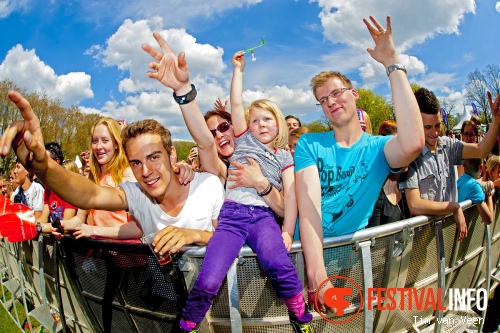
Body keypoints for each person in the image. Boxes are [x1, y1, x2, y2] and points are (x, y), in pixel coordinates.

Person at [294, 16, 425, 312]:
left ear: (354, 95)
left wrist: (392, 63)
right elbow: (310, 206)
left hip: (347, 263)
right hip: (304, 259)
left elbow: (414, 142)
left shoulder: (379, 149)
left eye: (336, 92)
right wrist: (317, 277)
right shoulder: (310, 144)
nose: (330, 101)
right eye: (323, 99)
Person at [2, 91, 224, 259]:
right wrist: (43, 167)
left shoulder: (208, 185)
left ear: (172, 154)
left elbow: (235, 240)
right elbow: (90, 195)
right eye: (136, 163)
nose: (145, 172)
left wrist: (195, 235)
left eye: (154, 157)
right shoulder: (137, 195)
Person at [182, 49, 309, 332]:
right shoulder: (244, 141)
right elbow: (236, 103)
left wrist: (288, 230)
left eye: (267, 119)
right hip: (232, 216)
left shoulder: (285, 157)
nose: (261, 125)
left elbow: (291, 197)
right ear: (246, 126)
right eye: (255, 120)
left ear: (278, 122)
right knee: (209, 277)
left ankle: (301, 317)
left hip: (264, 217)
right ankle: (188, 323)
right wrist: (238, 71)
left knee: (279, 265)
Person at [142, 33, 286, 219]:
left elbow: (287, 211)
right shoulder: (220, 170)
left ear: (237, 126)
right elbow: (205, 144)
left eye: (224, 127)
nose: (218, 135)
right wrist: (183, 91)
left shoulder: (276, 157)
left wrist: (261, 183)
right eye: (212, 133)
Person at [401, 87, 500, 243]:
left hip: (448, 238)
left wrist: (496, 121)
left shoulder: (448, 145)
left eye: (438, 125)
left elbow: (480, 151)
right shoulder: (411, 155)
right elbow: (415, 204)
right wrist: (453, 207)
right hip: (422, 244)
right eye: (428, 127)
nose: (434, 132)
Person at [61, 118, 144, 240]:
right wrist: (62, 225)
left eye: (105, 141)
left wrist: (94, 230)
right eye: (95, 141)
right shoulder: (92, 178)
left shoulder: (127, 175)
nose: (99, 146)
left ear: (116, 144)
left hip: (127, 255)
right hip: (101, 254)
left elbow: (136, 229)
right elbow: (79, 218)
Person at [367, 120, 409, 227]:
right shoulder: (375, 194)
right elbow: (372, 238)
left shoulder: (409, 187)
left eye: (406, 148)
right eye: (397, 150)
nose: (404, 154)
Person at [36, 142, 77, 233]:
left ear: (56, 161)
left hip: (73, 244)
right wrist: (26, 225)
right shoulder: (48, 188)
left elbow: (65, 226)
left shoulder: (69, 187)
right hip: (56, 240)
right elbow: (43, 218)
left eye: (44, 160)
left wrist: (37, 228)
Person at [457, 158, 494, 225]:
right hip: (467, 232)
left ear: (463, 165)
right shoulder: (475, 188)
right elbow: (489, 220)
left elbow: (474, 182)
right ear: (481, 168)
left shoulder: (458, 181)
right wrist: (489, 194)